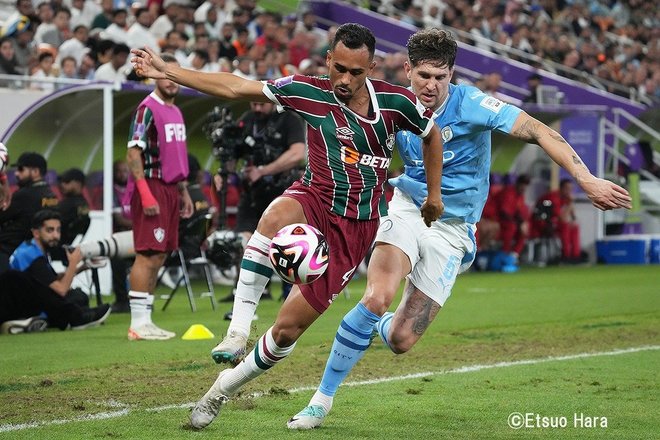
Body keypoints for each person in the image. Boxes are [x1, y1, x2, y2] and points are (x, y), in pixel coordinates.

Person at [287, 28, 632, 430]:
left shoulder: (473, 104)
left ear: (452, 75)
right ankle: (320, 401)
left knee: (401, 339)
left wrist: (585, 178)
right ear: (408, 70)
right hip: (409, 207)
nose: (431, 86)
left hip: (453, 228)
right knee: (377, 296)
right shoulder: (392, 105)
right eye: (424, 76)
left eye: (441, 77)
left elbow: (539, 131)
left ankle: (372, 329)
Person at [131, 22, 444, 429]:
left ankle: (220, 389)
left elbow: (431, 135)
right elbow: (234, 87)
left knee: (286, 331)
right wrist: (168, 71)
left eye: (356, 72)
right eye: (340, 68)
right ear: (328, 59)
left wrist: (434, 195)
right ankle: (238, 329)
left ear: (372, 68)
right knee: (274, 215)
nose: (345, 80)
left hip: (356, 227)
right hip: (313, 197)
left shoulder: (397, 102)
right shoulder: (307, 90)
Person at [212, 98, 305, 312]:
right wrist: (223, 173)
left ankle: (288, 296)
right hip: (252, 195)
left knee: (287, 245)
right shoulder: (247, 120)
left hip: (284, 194)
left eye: (261, 104)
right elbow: (233, 154)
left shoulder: (289, 120)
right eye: (253, 104)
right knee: (242, 243)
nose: (257, 108)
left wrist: (263, 171)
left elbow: (297, 154)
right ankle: (245, 296)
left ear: (271, 102)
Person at [124, 52, 193, 341]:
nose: (170, 80)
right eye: (165, 74)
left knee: (160, 254)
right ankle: (137, 324)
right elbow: (133, 152)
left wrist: (184, 192)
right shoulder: (146, 109)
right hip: (150, 185)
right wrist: (144, 193)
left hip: (170, 189)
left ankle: (147, 321)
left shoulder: (176, 111)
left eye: (174, 74)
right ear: (154, 75)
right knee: (147, 253)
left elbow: (175, 157)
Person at [2, 209, 111, 332]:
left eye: (58, 230)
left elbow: (51, 279)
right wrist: (73, 263)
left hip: (30, 301)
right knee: (70, 297)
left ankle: (36, 321)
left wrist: (83, 267)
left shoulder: (36, 249)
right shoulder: (30, 255)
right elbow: (61, 290)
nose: (56, 235)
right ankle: (75, 318)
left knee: (79, 296)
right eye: (50, 230)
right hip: (19, 306)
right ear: (36, 233)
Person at [0, 152, 59, 273]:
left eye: (21, 169)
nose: (16, 173)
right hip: (37, 253)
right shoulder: (51, 196)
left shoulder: (25, 195)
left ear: (35, 171)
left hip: (10, 251)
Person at [536, 178, 583, 262]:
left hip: (555, 223)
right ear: (561, 188)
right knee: (565, 226)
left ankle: (575, 255)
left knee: (574, 226)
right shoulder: (553, 197)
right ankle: (566, 256)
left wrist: (573, 220)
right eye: (567, 189)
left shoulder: (565, 198)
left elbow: (573, 217)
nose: (569, 191)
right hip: (543, 224)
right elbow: (561, 218)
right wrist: (570, 203)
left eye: (570, 189)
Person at [110, 159, 132, 313]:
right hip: (120, 237)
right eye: (119, 171)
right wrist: (140, 227)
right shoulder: (111, 192)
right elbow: (119, 220)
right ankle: (122, 300)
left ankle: (144, 300)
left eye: (125, 171)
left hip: (137, 237)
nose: (122, 174)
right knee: (117, 260)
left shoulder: (135, 189)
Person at [496, 174, 531, 262]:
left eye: (526, 185)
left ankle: (514, 255)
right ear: (518, 183)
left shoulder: (520, 196)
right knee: (512, 227)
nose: (524, 187)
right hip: (498, 219)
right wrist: (519, 223)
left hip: (510, 221)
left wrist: (523, 222)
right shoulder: (509, 192)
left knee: (525, 228)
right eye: (522, 184)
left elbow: (519, 212)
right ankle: (505, 254)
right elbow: (504, 213)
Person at [57, 168, 91, 245]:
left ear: (78, 183)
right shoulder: (82, 203)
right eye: (61, 182)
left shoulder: (70, 204)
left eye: (67, 182)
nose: (63, 185)